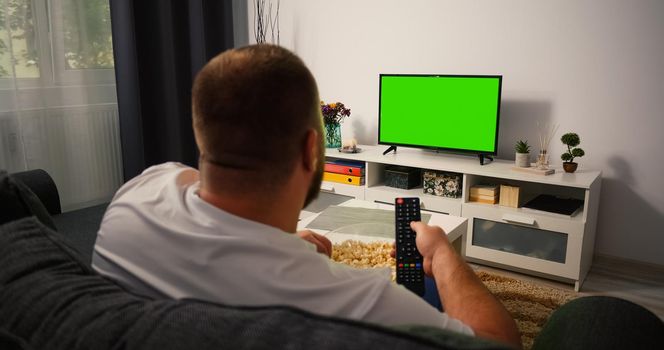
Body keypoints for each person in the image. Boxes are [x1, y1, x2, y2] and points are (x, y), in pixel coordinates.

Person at [92, 44, 521, 349]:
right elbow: (498, 343)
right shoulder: (355, 299)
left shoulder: (135, 195)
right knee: (426, 279)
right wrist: (443, 252)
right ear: (311, 149)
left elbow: (207, 211)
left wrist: (281, 244)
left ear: (201, 132)